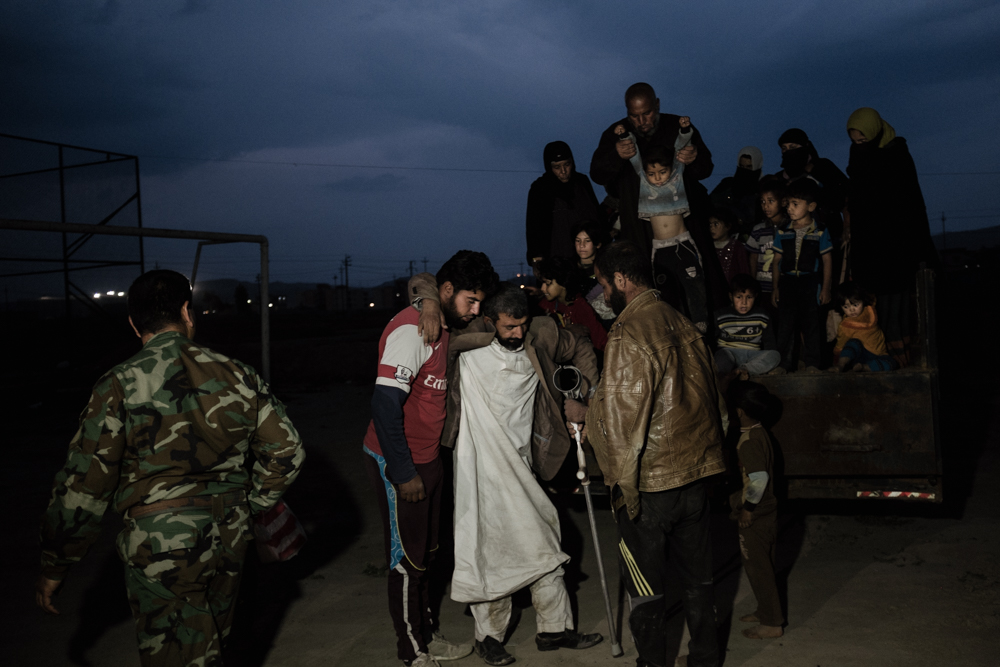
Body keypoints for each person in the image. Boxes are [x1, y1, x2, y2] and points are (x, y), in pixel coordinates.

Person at [37, 269, 306, 666]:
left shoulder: (118, 384)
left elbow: (84, 486)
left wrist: (57, 562)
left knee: (179, 656)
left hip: (161, 543)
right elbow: (287, 449)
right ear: (186, 312)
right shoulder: (237, 372)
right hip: (230, 534)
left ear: (133, 323)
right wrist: (251, 503)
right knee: (214, 646)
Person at [570, 241, 728, 667]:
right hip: (696, 477)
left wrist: (622, 490)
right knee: (699, 583)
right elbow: (718, 407)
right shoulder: (682, 322)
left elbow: (625, 425)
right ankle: (705, 660)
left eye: (604, 285)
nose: (604, 294)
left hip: (650, 484)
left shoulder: (628, 333)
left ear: (621, 280)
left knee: (645, 591)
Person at [435, 283, 603, 665]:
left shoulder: (538, 339)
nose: (517, 333)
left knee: (544, 543)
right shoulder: (467, 349)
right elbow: (435, 296)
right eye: (509, 326)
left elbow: (580, 340)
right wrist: (428, 305)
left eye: (522, 324)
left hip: (523, 466)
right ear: (489, 321)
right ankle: (488, 637)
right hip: (479, 471)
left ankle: (554, 629)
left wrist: (585, 394)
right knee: (489, 551)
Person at [364, 250, 498, 667]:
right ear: (447, 290)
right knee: (406, 561)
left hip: (428, 456)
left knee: (426, 555)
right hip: (400, 460)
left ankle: (426, 635)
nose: (474, 311)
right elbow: (384, 405)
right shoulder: (413, 331)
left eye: (479, 303)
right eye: (470, 301)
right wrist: (403, 472)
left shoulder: (441, 323)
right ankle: (413, 652)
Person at [589, 83, 728, 328]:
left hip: (684, 228)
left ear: (657, 105)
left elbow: (706, 169)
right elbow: (597, 174)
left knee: (696, 292)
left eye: (647, 113)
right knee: (649, 291)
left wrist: (694, 156)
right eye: (634, 116)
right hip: (639, 230)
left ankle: (702, 340)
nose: (642, 121)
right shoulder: (616, 134)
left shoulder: (678, 127)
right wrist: (616, 155)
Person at [845, 107, 938, 368]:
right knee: (870, 304)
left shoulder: (896, 154)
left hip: (895, 244)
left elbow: (910, 202)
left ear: (875, 132)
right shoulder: (858, 154)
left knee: (894, 306)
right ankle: (871, 358)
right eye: (855, 141)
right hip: (868, 243)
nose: (859, 145)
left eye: (863, 140)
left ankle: (896, 360)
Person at [727, 381, 783, 640]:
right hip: (768, 509)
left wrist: (747, 510)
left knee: (758, 569)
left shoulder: (748, 441)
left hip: (757, 512)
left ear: (739, 412)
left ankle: (772, 623)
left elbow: (759, 479)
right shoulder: (761, 432)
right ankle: (765, 610)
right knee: (764, 565)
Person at [771, 179, 833, 373]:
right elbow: (776, 261)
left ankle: (812, 364)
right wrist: (775, 288)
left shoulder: (820, 231)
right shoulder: (783, 230)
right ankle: (782, 364)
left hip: (810, 282)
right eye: (788, 203)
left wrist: (825, 288)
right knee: (785, 326)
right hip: (787, 282)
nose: (789, 208)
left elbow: (827, 261)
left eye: (795, 204)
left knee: (812, 325)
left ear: (811, 206)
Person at [526, 141, 603, 274]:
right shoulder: (540, 189)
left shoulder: (581, 182)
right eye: (557, 167)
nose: (563, 171)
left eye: (567, 165)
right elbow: (533, 227)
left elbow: (596, 216)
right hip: (556, 259)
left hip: (586, 256)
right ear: (549, 167)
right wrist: (536, 258)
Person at [714, 274, 780, 380]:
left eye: (749, 297)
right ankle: (725, 375)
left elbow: (769, 341)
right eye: (739, 297)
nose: (744, 303)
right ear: (731, 296)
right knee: (721, 356)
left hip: (753, 356)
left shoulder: (762, 316)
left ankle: (743, 370)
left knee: (775, 355)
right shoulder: (720, 315)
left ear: (755, 297)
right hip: (728, 353)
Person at [537, 256, 608, 351]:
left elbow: (602, 342)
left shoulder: (581, 308)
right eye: (542, 283)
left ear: (563, 283)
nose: (542, 288)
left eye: (548, 284)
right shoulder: (546, 304)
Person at [828, 281, 897, 373]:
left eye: (855, 305)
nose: (852, 310)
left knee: (891, 363)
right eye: (846, 307)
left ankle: (864, 367)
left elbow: (872, 298)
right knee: (853, 343)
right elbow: (840, 345)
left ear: (863, 301)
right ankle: (841, 365)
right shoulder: (845, 325)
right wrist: (836, 361)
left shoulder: (870, 311)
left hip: (878, 355)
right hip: (858, 355)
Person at [746, 177, 787, 302]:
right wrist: (753, 283)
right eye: (763, 201)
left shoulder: (790, 229)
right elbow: (753, 258)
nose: (766, 206)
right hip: (762, 286)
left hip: (784, 286)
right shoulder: (758, 229)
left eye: (771, 201)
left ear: (783, 202)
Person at [710, 145, 764, 233]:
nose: (744, 171)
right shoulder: (727, 184)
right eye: (741, 166)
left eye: (749, 167)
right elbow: (711, 203)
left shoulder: (762, 190)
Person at [572, 221, 616, 324]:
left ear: (598, 244)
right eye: (578, 241)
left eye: (587, 241)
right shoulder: (570, 268)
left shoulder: (606, 268)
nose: (581, 245)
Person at [709, 208, 751, 284]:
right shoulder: (708, 247)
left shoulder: (737, 247)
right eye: (710, 224)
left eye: (716, 224)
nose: (712, 228)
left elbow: (744, 271)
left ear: (727, 226)